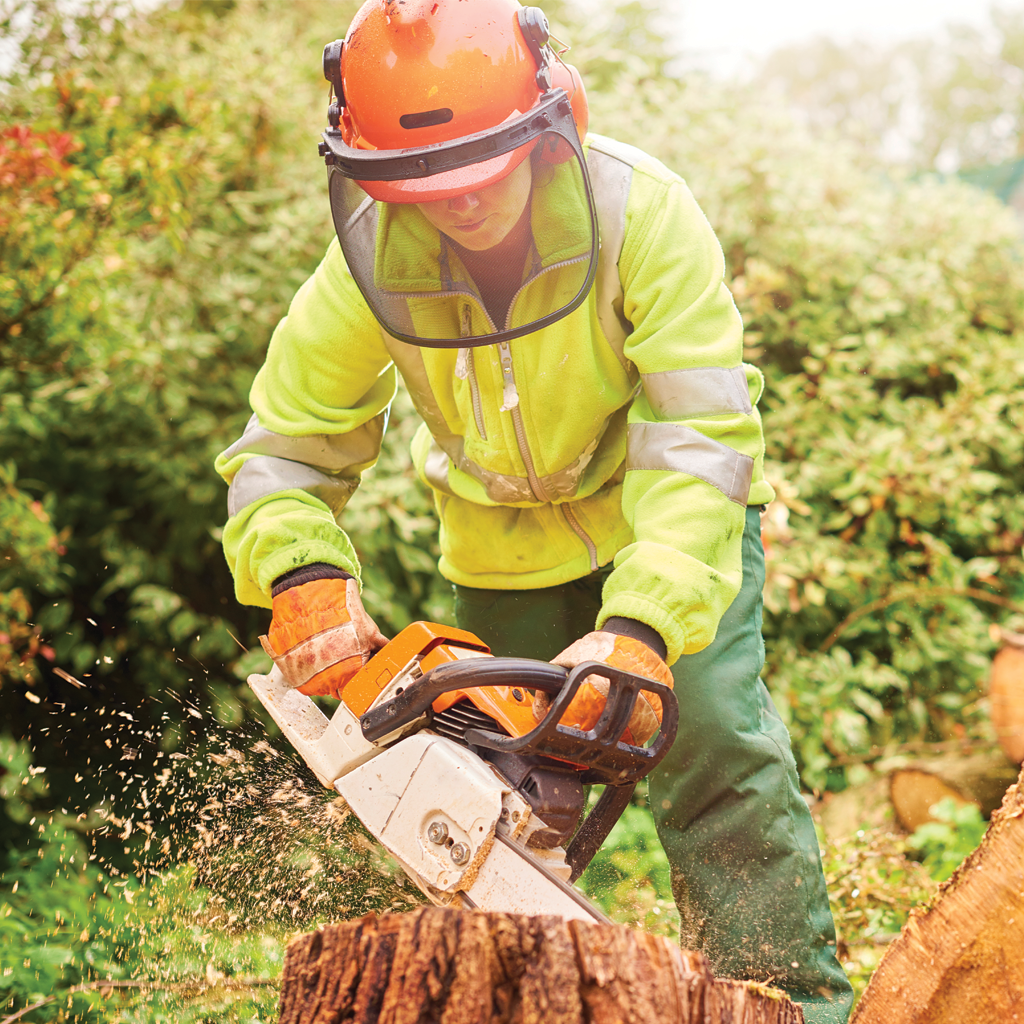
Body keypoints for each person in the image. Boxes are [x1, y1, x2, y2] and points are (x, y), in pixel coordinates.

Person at [215, 1, 853, 1019]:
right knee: (485, 786)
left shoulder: (643, 214)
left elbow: (700, 441)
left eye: (478, 175)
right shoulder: (371, 257)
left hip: (665, 526)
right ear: (369, 173)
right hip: (502, 545)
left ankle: (792, 998)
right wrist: (299, 572)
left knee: (715, 744)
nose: (456, 206)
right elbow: (283, 444)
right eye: (419, 188)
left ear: (548, 125)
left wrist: (641, 628)